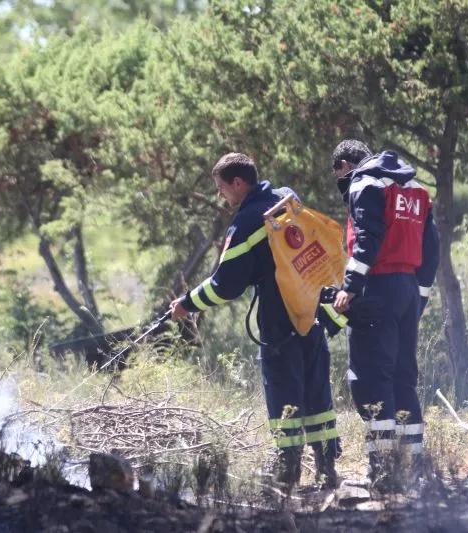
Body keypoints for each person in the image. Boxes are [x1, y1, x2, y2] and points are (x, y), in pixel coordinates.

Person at [170, 152, 339, 489]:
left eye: (221, 188)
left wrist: (187, 304)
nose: (220, 195)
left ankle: (287, 472)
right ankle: (327, 470)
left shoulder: (247, 221)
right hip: (311, 311)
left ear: (238, 183)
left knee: (284, 392)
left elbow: (225, 284)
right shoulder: (287, 199)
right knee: (317, 391)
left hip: (278, 322)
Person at [329, 139, 440, 488]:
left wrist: (349, 287)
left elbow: (367, 238)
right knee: (403, 378)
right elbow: (431, 249)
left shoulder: (364, 183)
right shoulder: (416, 189)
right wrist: (419, 298)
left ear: (344, 166)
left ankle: (383, 473)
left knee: (372, 379)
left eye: (338, 176)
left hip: (376, 288)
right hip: (408, 289)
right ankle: (414, 469)